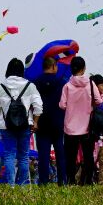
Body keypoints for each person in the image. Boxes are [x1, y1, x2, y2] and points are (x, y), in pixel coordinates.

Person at [0, 57, 40, 186]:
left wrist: (5, 114)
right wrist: (35, 121)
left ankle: (11, 185)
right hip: (25, 125)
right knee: (24, 156)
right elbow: (38, 106)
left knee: (9, 155)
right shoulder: (30, 86)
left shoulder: (1, 86)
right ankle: (22, 184)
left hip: (6, 126)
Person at [59, 56, 103, 184]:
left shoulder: (67, 86)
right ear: (84, 69)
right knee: (88, 155)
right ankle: (88, 181)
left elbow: (62, 105)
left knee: (70, 156)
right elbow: (99, 101)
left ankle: (71, 180)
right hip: (87, 126)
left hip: (70, 127)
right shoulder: (91, 84)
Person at [33, 52, 68, 184]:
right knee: (60, 154)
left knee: (43, 155)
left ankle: (43, 182)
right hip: (58, 123)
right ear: (53, 66)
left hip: (41, 123)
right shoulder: (61, 83)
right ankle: (62, 181)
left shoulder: (35, 83)